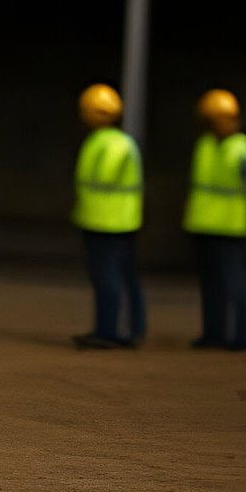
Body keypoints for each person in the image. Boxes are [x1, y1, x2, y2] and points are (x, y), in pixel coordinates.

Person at [70, 83, 145, 350]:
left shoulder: (111, 144)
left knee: (110, 277)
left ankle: (111, 332)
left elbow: (102, 181)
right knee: (115, 277)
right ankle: (115, 329)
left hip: (110, 222)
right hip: (106, 219)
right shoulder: (106, 141)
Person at [185, 88, 246, 351]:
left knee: (234, 282)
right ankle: (213, 334)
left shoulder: (243, 148)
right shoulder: (205, 144)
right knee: (210, 283)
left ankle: (240, 337)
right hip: (203, 224)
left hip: (231, 226)